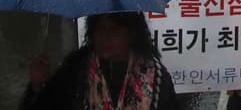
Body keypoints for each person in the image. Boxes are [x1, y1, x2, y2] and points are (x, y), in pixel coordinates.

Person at [22, 12, 178, 110]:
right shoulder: (77, 68)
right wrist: (37, 85)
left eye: (114, 30)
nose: (105, 36)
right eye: (100, 28)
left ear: (131, 34)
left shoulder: (155, 76)